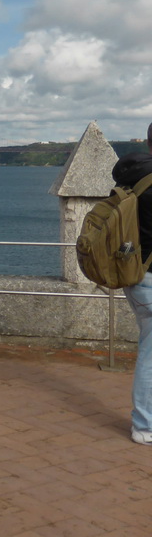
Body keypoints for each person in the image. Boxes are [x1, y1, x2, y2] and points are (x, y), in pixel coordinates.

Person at [112, 122, 152, 445]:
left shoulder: (134, 179)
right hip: (151, 281)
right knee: (150, 354)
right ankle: (144, 426)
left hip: (136, 278)